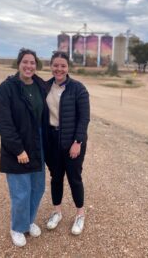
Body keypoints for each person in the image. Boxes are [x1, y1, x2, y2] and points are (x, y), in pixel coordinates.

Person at [0, 48, 48, 247]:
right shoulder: (7, 88)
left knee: (37, 187)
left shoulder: (40, 85)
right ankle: (17, 227)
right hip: (17, 145)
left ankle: (28, 221)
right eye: (25, 62)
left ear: (36, 65)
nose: (29, 66)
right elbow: (2, 122)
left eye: (32, 62)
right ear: (19, 64)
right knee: (21, 190)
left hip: (37, 143)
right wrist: (18, 149)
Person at [45, 51, 90, 235]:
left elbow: (84, 118)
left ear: (68, 67)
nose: (59, 69)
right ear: (51, 66)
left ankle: (80, 214)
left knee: (74, 178)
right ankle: (57, 212)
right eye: (56, 65)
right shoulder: (45, 86)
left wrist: (77, 141)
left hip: (73, 142)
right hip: (52, 141)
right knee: (56, 178)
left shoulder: (78, 88)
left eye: (63, 65)